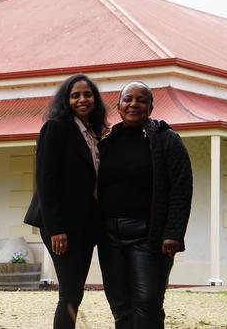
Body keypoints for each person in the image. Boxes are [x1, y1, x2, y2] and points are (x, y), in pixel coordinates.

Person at [97, 81, 192, 329]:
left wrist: (173, 233)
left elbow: (182, 188)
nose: (134, 104)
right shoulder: (106, 143)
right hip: (109, 237)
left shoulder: (167, 140)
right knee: (121, 308)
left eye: (141, 100)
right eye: (128, 99)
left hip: (148, 236)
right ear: (118, 106)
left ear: (151, 107)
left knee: (148, 304)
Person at [24, 74, 107, 329]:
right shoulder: (56, 128)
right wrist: (56, 229)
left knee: (75, 292)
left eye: (88, 94)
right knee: (70, 292)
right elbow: (45, 181)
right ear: (66, 100)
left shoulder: (93, 134)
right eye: (76, 95)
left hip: (84, 224)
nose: (83, 99)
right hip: (60, 226)